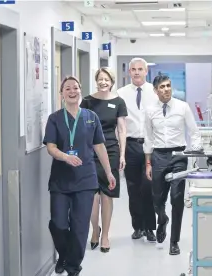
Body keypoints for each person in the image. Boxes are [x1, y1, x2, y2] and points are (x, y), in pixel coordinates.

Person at [43, 76, 116, 276]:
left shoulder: (91, 117)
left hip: (86, 179)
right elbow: (50, 147)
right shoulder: (55, 118)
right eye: (67, 88)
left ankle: (73, 267)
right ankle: (64, 255)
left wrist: (109, 172)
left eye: (75, 87)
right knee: (57, 224)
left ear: (80, 90)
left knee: (79, 225)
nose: (72, 91)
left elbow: (99, 146)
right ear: (62, 93)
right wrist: (65, 157)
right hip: (61, 180)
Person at [143, 75, 202, 255]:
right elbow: (148, 137)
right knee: (157, 199)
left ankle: (174, 242)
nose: (166, 89)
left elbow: (194, 131)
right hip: (159, 156)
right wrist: (148, 163)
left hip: (178, 156)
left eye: (168, 86)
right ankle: (162, 220)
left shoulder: (182, 107)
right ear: (155, 90)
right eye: (162, 87)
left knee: (177, 200)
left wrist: (196, 148)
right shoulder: (150, 110)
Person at [80, 68, 127, 253]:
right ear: (96, 81)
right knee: (92, 196)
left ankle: (105, 234)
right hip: (90, 151)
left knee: (107, 195)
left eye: (106, 79)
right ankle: (95, 230)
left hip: (111, 150)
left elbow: (122, 130)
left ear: (111, 81)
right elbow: (81, 127)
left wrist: (122, 154)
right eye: (100, 79)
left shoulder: (118, 102)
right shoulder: (88, 101)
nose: (103, 82)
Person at [117, 58, 157, 242]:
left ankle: (150, 227)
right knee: (133, 189)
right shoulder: (120, 93)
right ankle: (138, 227)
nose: (136, 72)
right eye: (133, 69)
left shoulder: (155, 92)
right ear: (129, 71)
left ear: (146, 71)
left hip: (151, 144)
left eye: (140, 69)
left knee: (148, 187)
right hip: (131, 144)